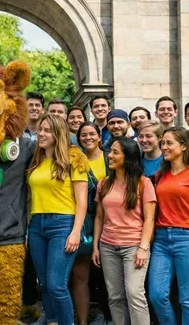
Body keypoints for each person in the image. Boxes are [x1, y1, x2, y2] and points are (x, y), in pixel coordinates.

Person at [27, 115, 88, 325]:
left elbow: (82, 201)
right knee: (44, 283)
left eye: (47, 130)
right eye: (40, 129)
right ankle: (52, 321)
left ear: (58, 134)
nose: (41, 134)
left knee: (56, 284)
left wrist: (76, 231)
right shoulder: (36, 159)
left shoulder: (74, 158)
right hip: (36, 225)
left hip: (63, 224)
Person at [147, 127, 189, 325]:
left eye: (169, 143)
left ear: (184, 146)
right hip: (161, 240)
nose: (164, 147)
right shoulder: (160, 175)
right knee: (156, 294)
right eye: (163, 143)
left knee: (188, 298)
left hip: (188, 238)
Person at [92, 137, 156, 325]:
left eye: (115, 152)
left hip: (134, 246)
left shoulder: (143, 183)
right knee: (115, 296)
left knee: (135, 294)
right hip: (108, 246)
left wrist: (143, 248)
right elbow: (99, 217)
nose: (109, 155)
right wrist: (96, 247)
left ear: (128, 157)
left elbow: (150, 218)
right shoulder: (104, 183)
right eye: (110, 151)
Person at [70, 122, 105, 325]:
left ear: (99, 136)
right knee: (80, 272)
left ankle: (106, 314)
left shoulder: (109, 157)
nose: (88, 137)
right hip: (84, 218)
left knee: (105, 271)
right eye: (84, 134)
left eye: (92, 134)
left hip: (109, 218)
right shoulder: (75, 158)